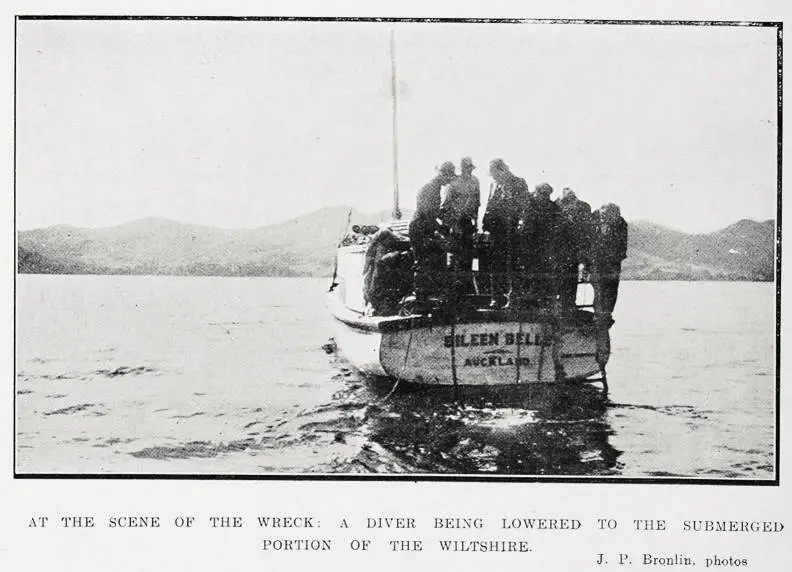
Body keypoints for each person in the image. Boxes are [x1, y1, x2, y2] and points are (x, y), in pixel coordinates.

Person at [482, 158, 530, 308]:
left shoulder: (518, 182)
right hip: (496, 229)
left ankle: (514, 298)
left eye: (495, 173)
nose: (494, 177)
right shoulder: (493, 184)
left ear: (502, 169)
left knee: (513, 264)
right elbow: (490, 204)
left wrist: (521, 223)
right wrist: (485, 224)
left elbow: (525, 205)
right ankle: (496, 298)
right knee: (496, 264)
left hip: (511, 227)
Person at [409, 161, 457, 305]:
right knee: (423, 262)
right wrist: (442, 230)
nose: (449, 180)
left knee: (429, 261)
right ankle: (421, 300)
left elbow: (433, 212)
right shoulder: (430, 188)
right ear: (443, 174)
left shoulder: (434, 188)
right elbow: (427, 213)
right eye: (449, 177)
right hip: (419, 228)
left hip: (425, 228)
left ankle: (427, 297)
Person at [441, 157, 480, 297]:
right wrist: (451, 224)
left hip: (468, 224)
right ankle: (454, 293)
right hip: (456, 224)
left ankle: (466, 293)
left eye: (470, 168)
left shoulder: (475, 181)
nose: (468, 171)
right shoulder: (453, 183)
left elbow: (476, 203)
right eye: (465, 168)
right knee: (455, 258)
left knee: (467, 258)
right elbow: (445, 206)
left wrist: (475, 224)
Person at [518, 182, 562, 304]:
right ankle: (529, 299)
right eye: (542, 194)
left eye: (546, 194)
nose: (544, 197)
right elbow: (524, 227)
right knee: (529, 274)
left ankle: (543, 299)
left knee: (544, 275)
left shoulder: (554, 208)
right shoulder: (529, 206)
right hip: (530, 247)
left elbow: (557, 229)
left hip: (546, 248)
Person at [555, 188, 593, 311]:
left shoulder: (583, 207)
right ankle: (562, 302)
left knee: (570, 277)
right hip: (560, 248)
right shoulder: (557, 205)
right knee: (560, 277)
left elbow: (586, 230)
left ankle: (568, 303)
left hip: (574, 249)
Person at [589, 203, 628, 317]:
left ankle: (606, 313)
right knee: (599, 289)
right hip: (597, 263)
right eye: (602, 214)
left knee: (611, 289)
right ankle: (600, 314)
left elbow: (622, 246)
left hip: (612, 264)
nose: (603, 217)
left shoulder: (620, 225)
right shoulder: (594, 223)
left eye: (606, 215)